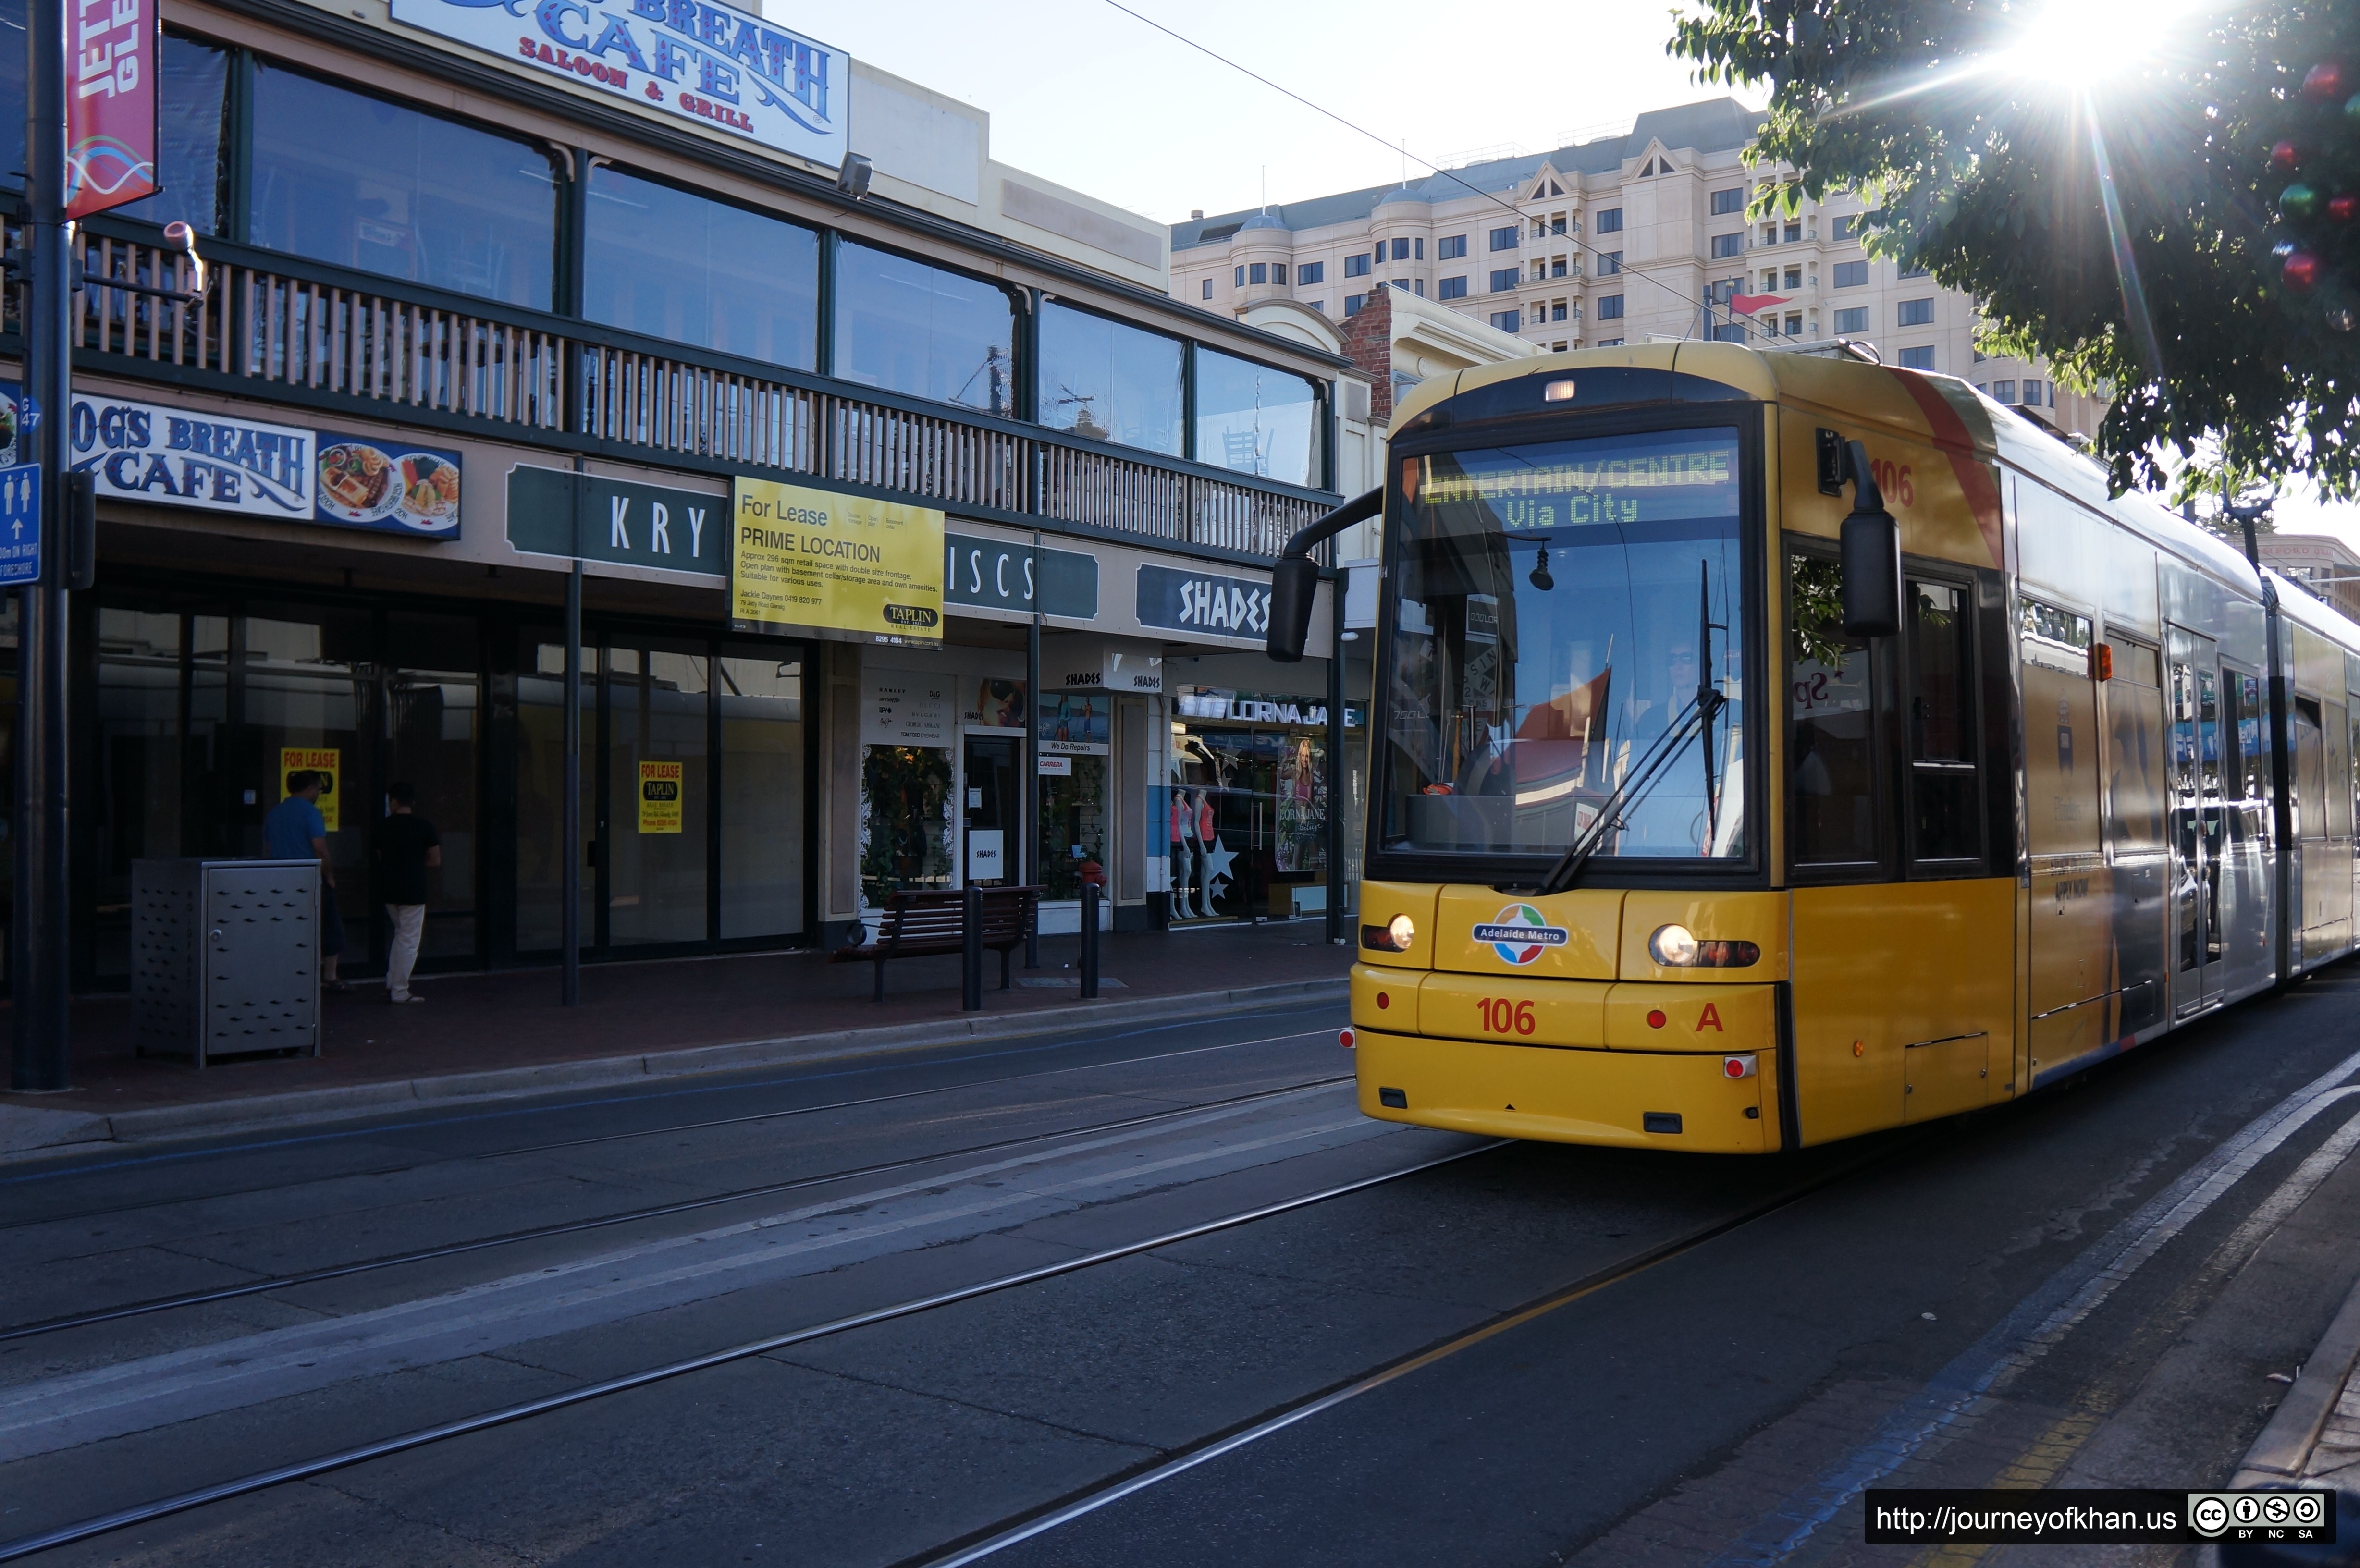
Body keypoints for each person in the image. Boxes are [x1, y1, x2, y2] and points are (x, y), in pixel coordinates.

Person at [265, 769, 347, 991]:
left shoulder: (275, 813)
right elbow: (320, 849)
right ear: (311, 789)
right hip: (309, 881)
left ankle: (288, 975)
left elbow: (269, 848)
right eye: (318, 789)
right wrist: (329, 876)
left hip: (280, 881)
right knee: (329, 927)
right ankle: (330, 977)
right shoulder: (310, 812)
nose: (318, 793)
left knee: (288, 930)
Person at [373, 781, 441, 1004]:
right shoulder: (425, 826)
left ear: (393, 802)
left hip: (389, 888)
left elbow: (379, 856)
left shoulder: (383, 827)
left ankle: (392, 983)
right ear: (412, 803)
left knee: (400, 935)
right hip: (414, 889)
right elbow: (435, 860)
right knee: (409, 940)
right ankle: (400, 990)